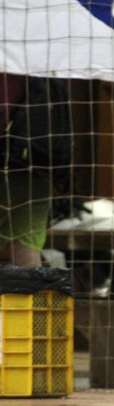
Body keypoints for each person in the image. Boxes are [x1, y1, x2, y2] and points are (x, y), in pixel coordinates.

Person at [0, 74, 50, 267]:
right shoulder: (40, 68)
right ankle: (28, 295)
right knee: (27, 247)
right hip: (36, 166)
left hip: (11, 162)